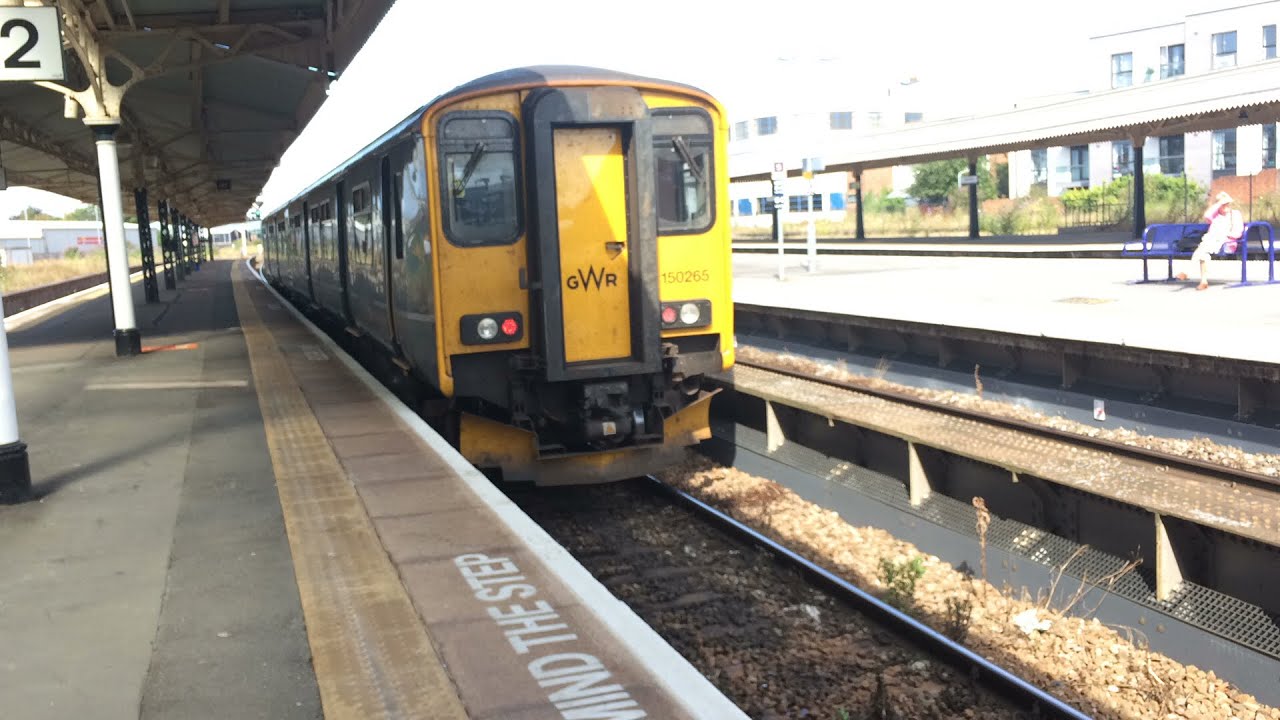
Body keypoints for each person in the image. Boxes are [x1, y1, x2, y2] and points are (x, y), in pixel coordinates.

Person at [1177, 191, 1243, 290]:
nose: (1225, 206)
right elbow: (1207, 216)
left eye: (1227, 203)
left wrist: (1224, 234)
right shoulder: (1215, 215)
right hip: (1211, 240)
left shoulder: (1235, 214)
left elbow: (1238, 233)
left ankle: (1187, 272)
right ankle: (1204, 281)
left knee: (1202, 249)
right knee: (1203, 253)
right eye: (1222, 204)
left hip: (1227, 242)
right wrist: (1218, 204)